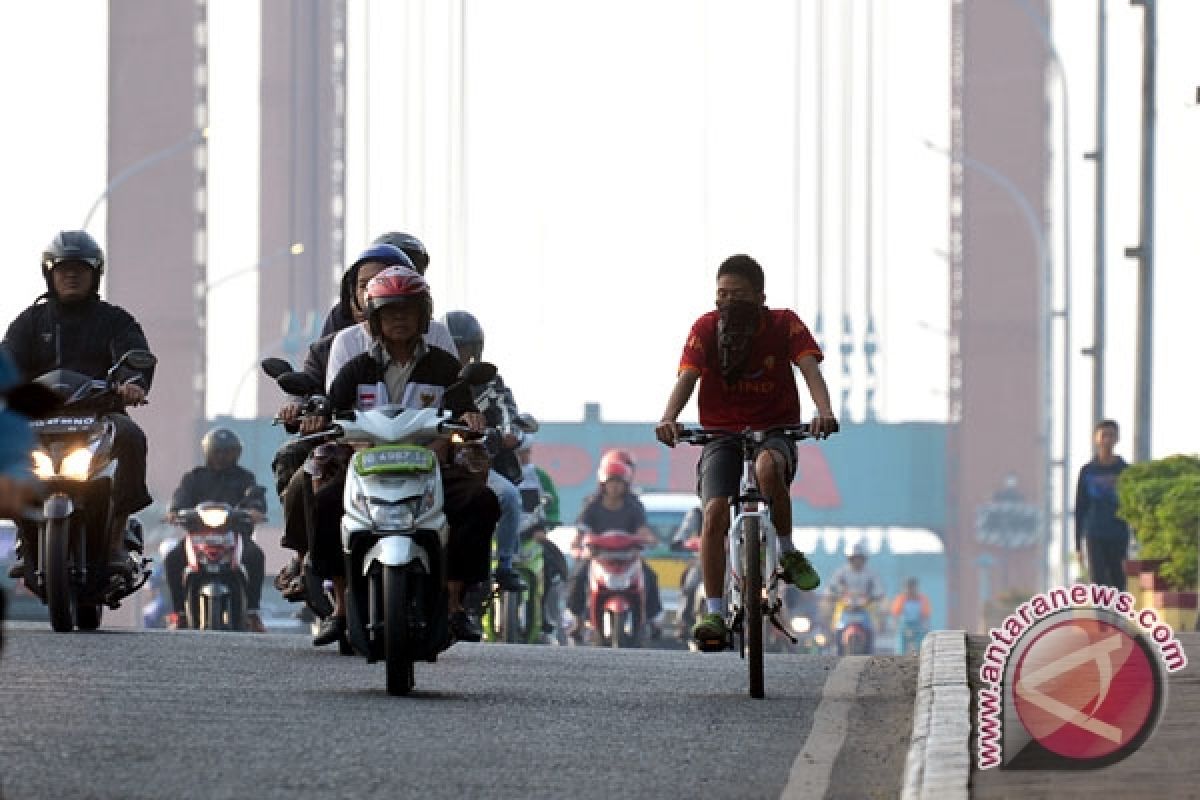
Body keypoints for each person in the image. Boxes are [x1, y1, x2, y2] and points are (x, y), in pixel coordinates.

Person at [303, 266, 500, 644]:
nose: (398, 319)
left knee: (481, 500)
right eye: (389, 312)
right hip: (366, 468)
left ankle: (456, 603)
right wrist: (314, 419)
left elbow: (465, 411)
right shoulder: (356, 367)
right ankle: (340, 608)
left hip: (430, 468)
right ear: (374, 318)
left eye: (407, 310)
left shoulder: (444, 366)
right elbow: (330, 408)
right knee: (325, 501)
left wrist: (472, 419)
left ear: (423, 316)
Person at [655, 254, 837, 646]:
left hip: (775, 429)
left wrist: (824, 412)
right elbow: (688, 377)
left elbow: (809, 369)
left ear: (760, 296)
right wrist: (669, 416)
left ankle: (787, 551)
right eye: (721, 294)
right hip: (720, 433)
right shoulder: (704, 329)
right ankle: (715, 613)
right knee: (715, 510)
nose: (728, 301)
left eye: (737, 294)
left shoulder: (784, 323)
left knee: (770, 469)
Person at [2, 231, 154, 574]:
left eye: (80, 269)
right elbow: (8, 356)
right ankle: (26, 539)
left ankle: (115, 537)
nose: (71, 274)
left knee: (130, 436)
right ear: (49, 274)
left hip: (98, 414)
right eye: (63, 268)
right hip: (37, 418)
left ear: (95, 274)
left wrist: (133, 382)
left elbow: (135, 355)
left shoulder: (115, 320)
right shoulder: (29, 322)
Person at [442, 309, 529, 591]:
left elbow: (508, 414)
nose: (457, 353)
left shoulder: (490, 383)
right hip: (427, 462)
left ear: (475, 350)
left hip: (476, 464)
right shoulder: (426, 377)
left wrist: (509, 432)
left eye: (463, 347)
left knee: (509, 496)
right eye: (450, 346)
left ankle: (504, 565)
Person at [162, 428, 269, 632]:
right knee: (172, 558)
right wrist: (174, 512)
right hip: (197, 538)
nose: (222, 456)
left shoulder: (245, 478)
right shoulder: (193, 478)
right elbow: (179, 499)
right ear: (208, 452)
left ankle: (253, 612)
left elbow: (254, 497)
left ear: (236, 454)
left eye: (228, 452)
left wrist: (255, 510)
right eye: (218, 451)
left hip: (234, 536)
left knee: (256, 555)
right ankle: (179, 613)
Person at [324, 238, 458, 390]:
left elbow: (458, 398)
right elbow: (334, 404)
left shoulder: (439, 338)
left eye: (407, 309)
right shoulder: (346, 343)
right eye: (364, 285)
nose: (399, 316)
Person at [564, 454, 664, 639]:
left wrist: (650, 540)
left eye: (619, 482)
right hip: (598, 557)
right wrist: (578, 547)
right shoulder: (591, 505)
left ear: (626, 484)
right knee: (577, 577)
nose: (615, 486)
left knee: (650, 576)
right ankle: (577, 620)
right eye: (611, 481)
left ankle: (651, 619)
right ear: (603, 483)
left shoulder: (633, 505)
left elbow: (642, 530)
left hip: (627, 558)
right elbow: (580, 533)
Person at [1074, 419, 1132, 590]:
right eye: (1104, 435)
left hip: (1118, 533)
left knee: (1118, 580)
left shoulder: (1125, 471)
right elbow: (1080, 508)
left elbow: (1133, 507)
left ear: (1117, 439)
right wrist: (1078, 544)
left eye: (1111, 435)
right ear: (1096, 439)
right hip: (1094, 533)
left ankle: (1117, 616)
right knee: (1098, 582)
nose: (1107, 439)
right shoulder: (1087, 471)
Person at [890, 577, 931, 653]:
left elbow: (926, 616)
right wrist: (895, 626)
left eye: (912, 587)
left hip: (918, 625)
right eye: (907, 588)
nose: (910, 590)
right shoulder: (901, 599)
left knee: (921, 642)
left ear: (916, 588)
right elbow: (895, 615)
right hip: (904, 625)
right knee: (901, 642)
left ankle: (919, 654)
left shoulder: (922, 599)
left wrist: (926, 628)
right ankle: (900, 656)